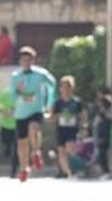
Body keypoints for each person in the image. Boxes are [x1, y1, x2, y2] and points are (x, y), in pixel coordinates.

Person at [10, 45, 56, 183]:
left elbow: (52, 85)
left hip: (36, 110)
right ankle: (24, 168)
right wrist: (18, 91)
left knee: (33, 127)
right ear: (20, 61)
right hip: (21, 113)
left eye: (29, 59)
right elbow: (12, 97)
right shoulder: (15, 76)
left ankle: (36, 152)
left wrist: (49, 103)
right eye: (24, 59)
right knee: (22, 143)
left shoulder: (41, 74)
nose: (26, 62)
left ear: (33, 60)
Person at [53, 74, 83, 179]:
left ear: (72, 88)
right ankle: (66, 172)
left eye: (68, 87)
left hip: (72, 129)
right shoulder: (58, 102)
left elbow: (82, 115)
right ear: (60, 88)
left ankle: (75, 167)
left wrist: (84, 126)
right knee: (61, 150)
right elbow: (53, 115)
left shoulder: (76, 102)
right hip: (61, 129)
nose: (65, 89)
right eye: (63, 87)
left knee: (69, 149)